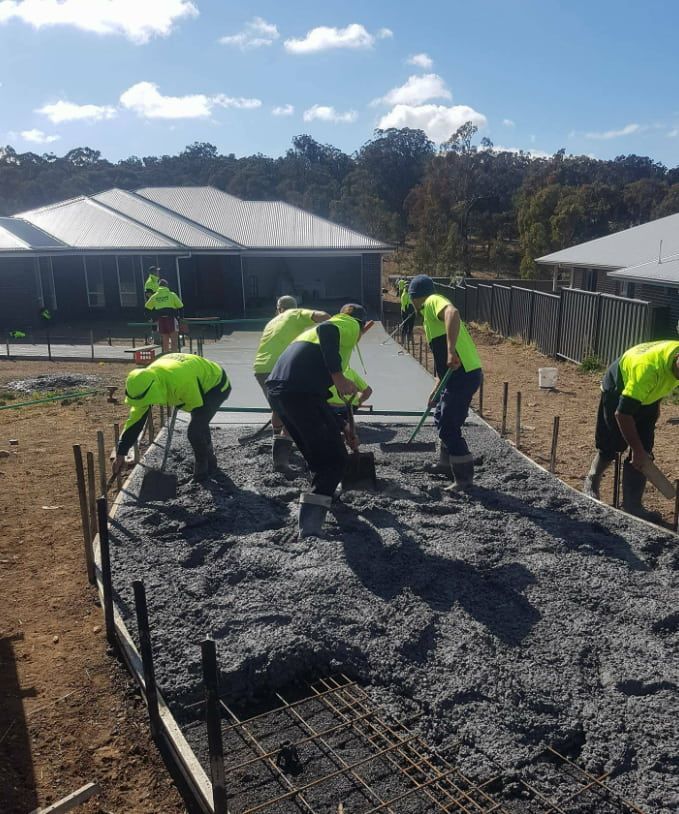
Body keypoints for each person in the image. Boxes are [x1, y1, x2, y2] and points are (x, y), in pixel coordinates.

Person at [266, 304, 373, 538]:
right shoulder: (347, 324)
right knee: (335, 461)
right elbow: (328, 330)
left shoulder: (314, 338)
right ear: (362, 324)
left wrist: (344, 428)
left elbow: (319, 402)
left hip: (282, 391)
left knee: (318, 457)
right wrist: (338, 378)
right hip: (299, 392)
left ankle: (324, 497)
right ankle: (310, 528)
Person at [583, 340, 679, 518]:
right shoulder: (647, 371)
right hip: (617, 389)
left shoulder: (672, 356)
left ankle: (633, 505)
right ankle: (592, 480)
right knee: (612, 445)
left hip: (648, 394)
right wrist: (636, 449)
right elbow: (622, 414)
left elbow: (659, 385)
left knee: (645, 449)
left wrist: (642, 448)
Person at [409, 274, 483, 490]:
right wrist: (436, 389)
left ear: (415, 297)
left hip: (463, 373)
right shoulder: (428, 318)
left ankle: (464, 479)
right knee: (441, 414)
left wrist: (451, 351)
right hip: (454, 375)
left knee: (449, 424)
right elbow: (442, 363)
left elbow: (453, 312)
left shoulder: (432, 301)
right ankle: (445, 464)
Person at [112, 354, 231, 482]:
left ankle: (202, 471)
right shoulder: (144, 380)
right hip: (188, 373)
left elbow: (197, 408)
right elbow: (135, 421)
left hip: (216, 385)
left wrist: (178, 401)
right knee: (199, 426)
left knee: (195, 431)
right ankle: (210, 460)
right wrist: (121, 452)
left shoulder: (182, 382)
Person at [253, 296, 330, 471]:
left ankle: (277, 440)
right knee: (294, 411)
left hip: (260, 368)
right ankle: (281, 459)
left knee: (279, 409)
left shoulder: (272, 322)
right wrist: (332, 333)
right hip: (281, 367)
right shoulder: (295, 313)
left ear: (278, 309)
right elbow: (324, 316)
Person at [144, 279, 183, 353]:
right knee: (174, 341)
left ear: (159, 286)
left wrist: (151, 318)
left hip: (161, 320)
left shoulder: (155, 296)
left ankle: (166, 359)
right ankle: (174, 359)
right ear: (167, 286)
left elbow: (146, 308)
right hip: (171, 319)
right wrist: (180, 318)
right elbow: (181, 306)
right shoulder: (172, 294)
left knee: (165, 342)